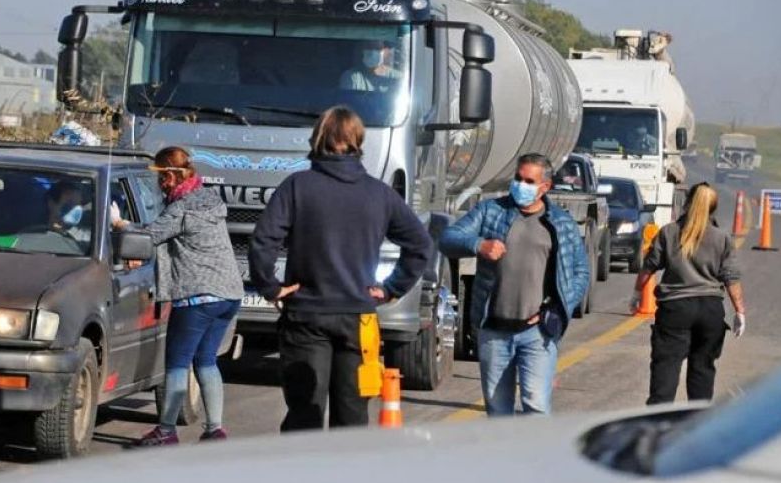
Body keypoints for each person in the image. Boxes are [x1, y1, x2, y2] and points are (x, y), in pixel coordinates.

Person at [249, 106, 432, 431]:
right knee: (352, 416)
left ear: (318, 139)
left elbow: (263, 240)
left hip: (306, 314)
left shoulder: (297, 187)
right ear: (357, 141)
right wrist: (391, 288)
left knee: (305, 411)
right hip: (358, 318)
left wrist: (271, 287)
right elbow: (420, 244)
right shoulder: (379, 194)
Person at [439, 153, 590, 416]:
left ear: (545, 187)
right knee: (498, 410)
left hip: (537, 334)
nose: (521, 185)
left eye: (529, 181)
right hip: (494, 330)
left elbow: (580, 271)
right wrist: (478, 245)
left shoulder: (560, 223)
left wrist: (556, 307)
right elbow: (448, 238)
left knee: (536, 406)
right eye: (518, 178)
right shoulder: (491, 211)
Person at [111, 147, 243, 445]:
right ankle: (215, 429)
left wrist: (119, 224)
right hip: (228, 295)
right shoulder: (210, 200)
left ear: (169, 177)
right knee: (207, 360)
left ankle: (167, 431)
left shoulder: (180, 209)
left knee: (177, 363)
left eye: (159, 178)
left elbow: (147, 236)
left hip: (197, 297)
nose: (158, 185)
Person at [633, 182, 745, 405]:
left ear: (686, 203)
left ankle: (657, 423)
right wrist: (740, 311)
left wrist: (637, 294)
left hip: (675, 309)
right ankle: (698, 421)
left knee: (666, 369)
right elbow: (731, 277)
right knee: (702, 370)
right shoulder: (722, 238)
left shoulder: (669, 232)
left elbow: (649, 267)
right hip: (710, 310)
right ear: (713, 207)